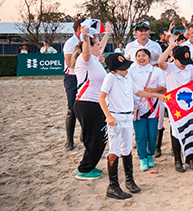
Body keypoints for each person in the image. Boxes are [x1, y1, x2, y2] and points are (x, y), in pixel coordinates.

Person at [99, 53, 165, 199]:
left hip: (128, 117)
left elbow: (138, 92)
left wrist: (157, 96)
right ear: (114, 70)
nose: (126, 70)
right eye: (122, 68)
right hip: (115, 118)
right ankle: (113, 185)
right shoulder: (110, 78)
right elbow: (101, 98)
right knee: (114, 151)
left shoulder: (127, 77)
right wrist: (108, 116)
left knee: (127, 149)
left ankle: (129, 180)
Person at [71, 24, 111, 179]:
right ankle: (84, 169)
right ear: (89, 46)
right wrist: (85, 37)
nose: (100, 45)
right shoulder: (85, 59)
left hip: (95, 104)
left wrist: (107, 33)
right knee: (94, 138)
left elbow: (99, 48)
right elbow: (87, 51)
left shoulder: (95, 59)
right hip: (86, 104)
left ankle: (90, 166)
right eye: (98, 43)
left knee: (100, 137)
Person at [158, 38, 193, 172]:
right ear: (175, 59)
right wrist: (170, 46)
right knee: (176, 131)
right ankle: (177, 159)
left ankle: (191, 157)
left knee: (191, 129)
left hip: (189, 103)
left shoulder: (190, 68)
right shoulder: (169, 68)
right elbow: (160, 62)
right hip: (175, 104)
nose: (184, 65)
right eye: (182, 62)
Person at [128, 49, 166, 171]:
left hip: (153, 107)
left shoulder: (157, 71)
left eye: (144, 55)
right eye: (138, 56)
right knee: (140, 135)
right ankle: (143, 157)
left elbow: (163, 88)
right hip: (137, 107)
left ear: (149, 57)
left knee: (152, 134)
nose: (141, 58)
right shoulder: (131, 71)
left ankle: (150, 155)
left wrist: (152, 90)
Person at [63, 19, 83, 151]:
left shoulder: (88, 41)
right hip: (72, 77)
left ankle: (84, 133)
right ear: (78, 28)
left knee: (85, 105)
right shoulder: (71, 43)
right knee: (71, 109)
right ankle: (69, 141)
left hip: (84, 76)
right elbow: (70, 64)